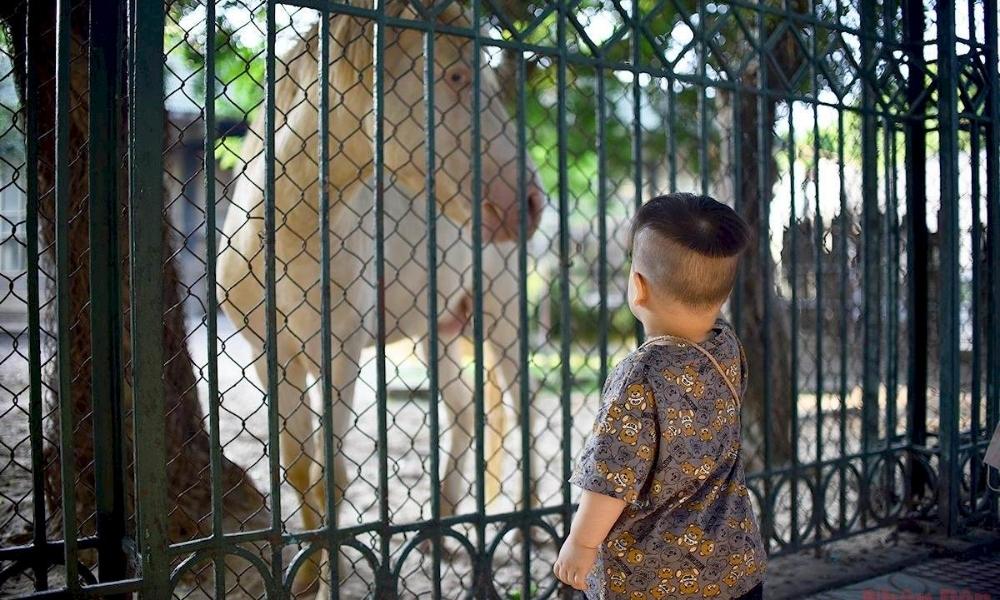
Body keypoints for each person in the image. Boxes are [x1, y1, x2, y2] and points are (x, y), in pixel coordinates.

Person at [553, 193, 766, 599]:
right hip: (734, 566)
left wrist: (581, 544)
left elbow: (611, 477)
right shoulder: (726, 345)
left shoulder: (640, 376)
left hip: (653, 580)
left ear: (638, 287)